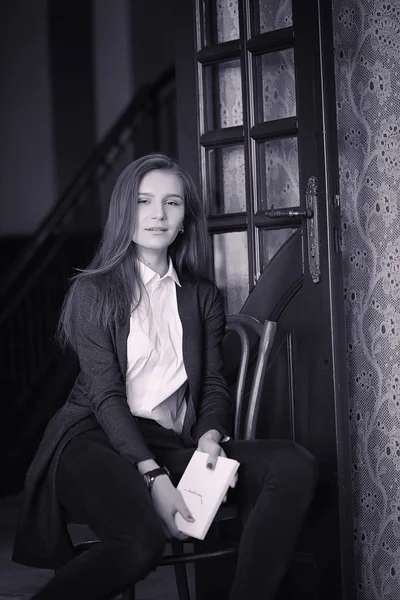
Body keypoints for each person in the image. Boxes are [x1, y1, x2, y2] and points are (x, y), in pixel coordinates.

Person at [13, 153, 317, 599]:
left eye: (172, 203)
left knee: (293, 464)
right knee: (139, 542)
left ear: (184, 219)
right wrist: (153, 477)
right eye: (144, 201)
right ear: (124, 212)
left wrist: (211, 435)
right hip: (89, 440)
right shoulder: (92, 292)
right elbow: (106, 397)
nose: (158, 214)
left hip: (166, 440)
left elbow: (213, 382)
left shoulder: (200, 295)